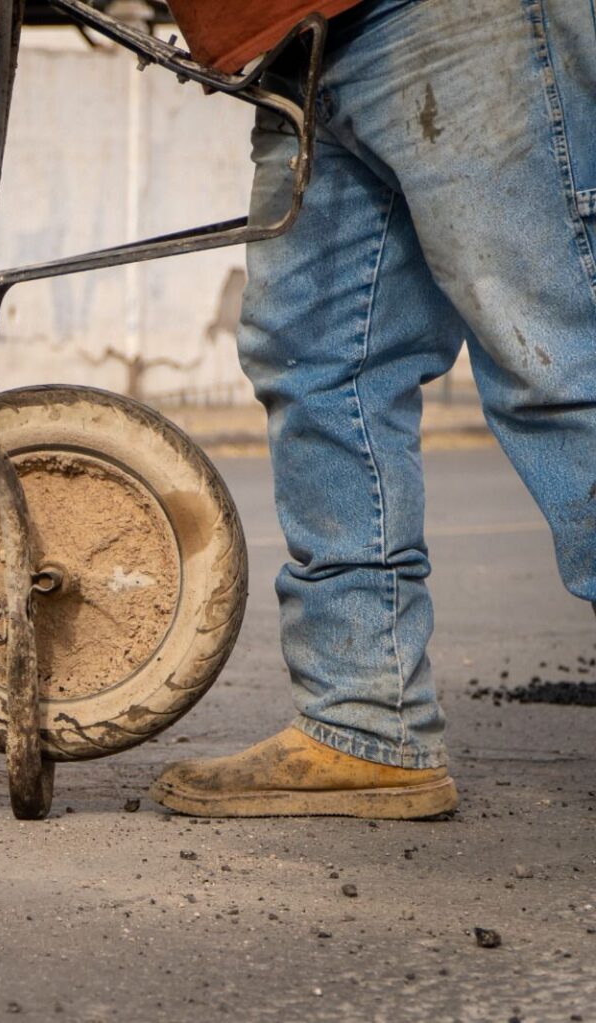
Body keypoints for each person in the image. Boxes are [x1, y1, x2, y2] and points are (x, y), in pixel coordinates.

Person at [147, 0, 596, 818]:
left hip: (444, 18)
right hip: (298, 45)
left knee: (556, 358)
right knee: (318, 364)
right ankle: (363, 720)